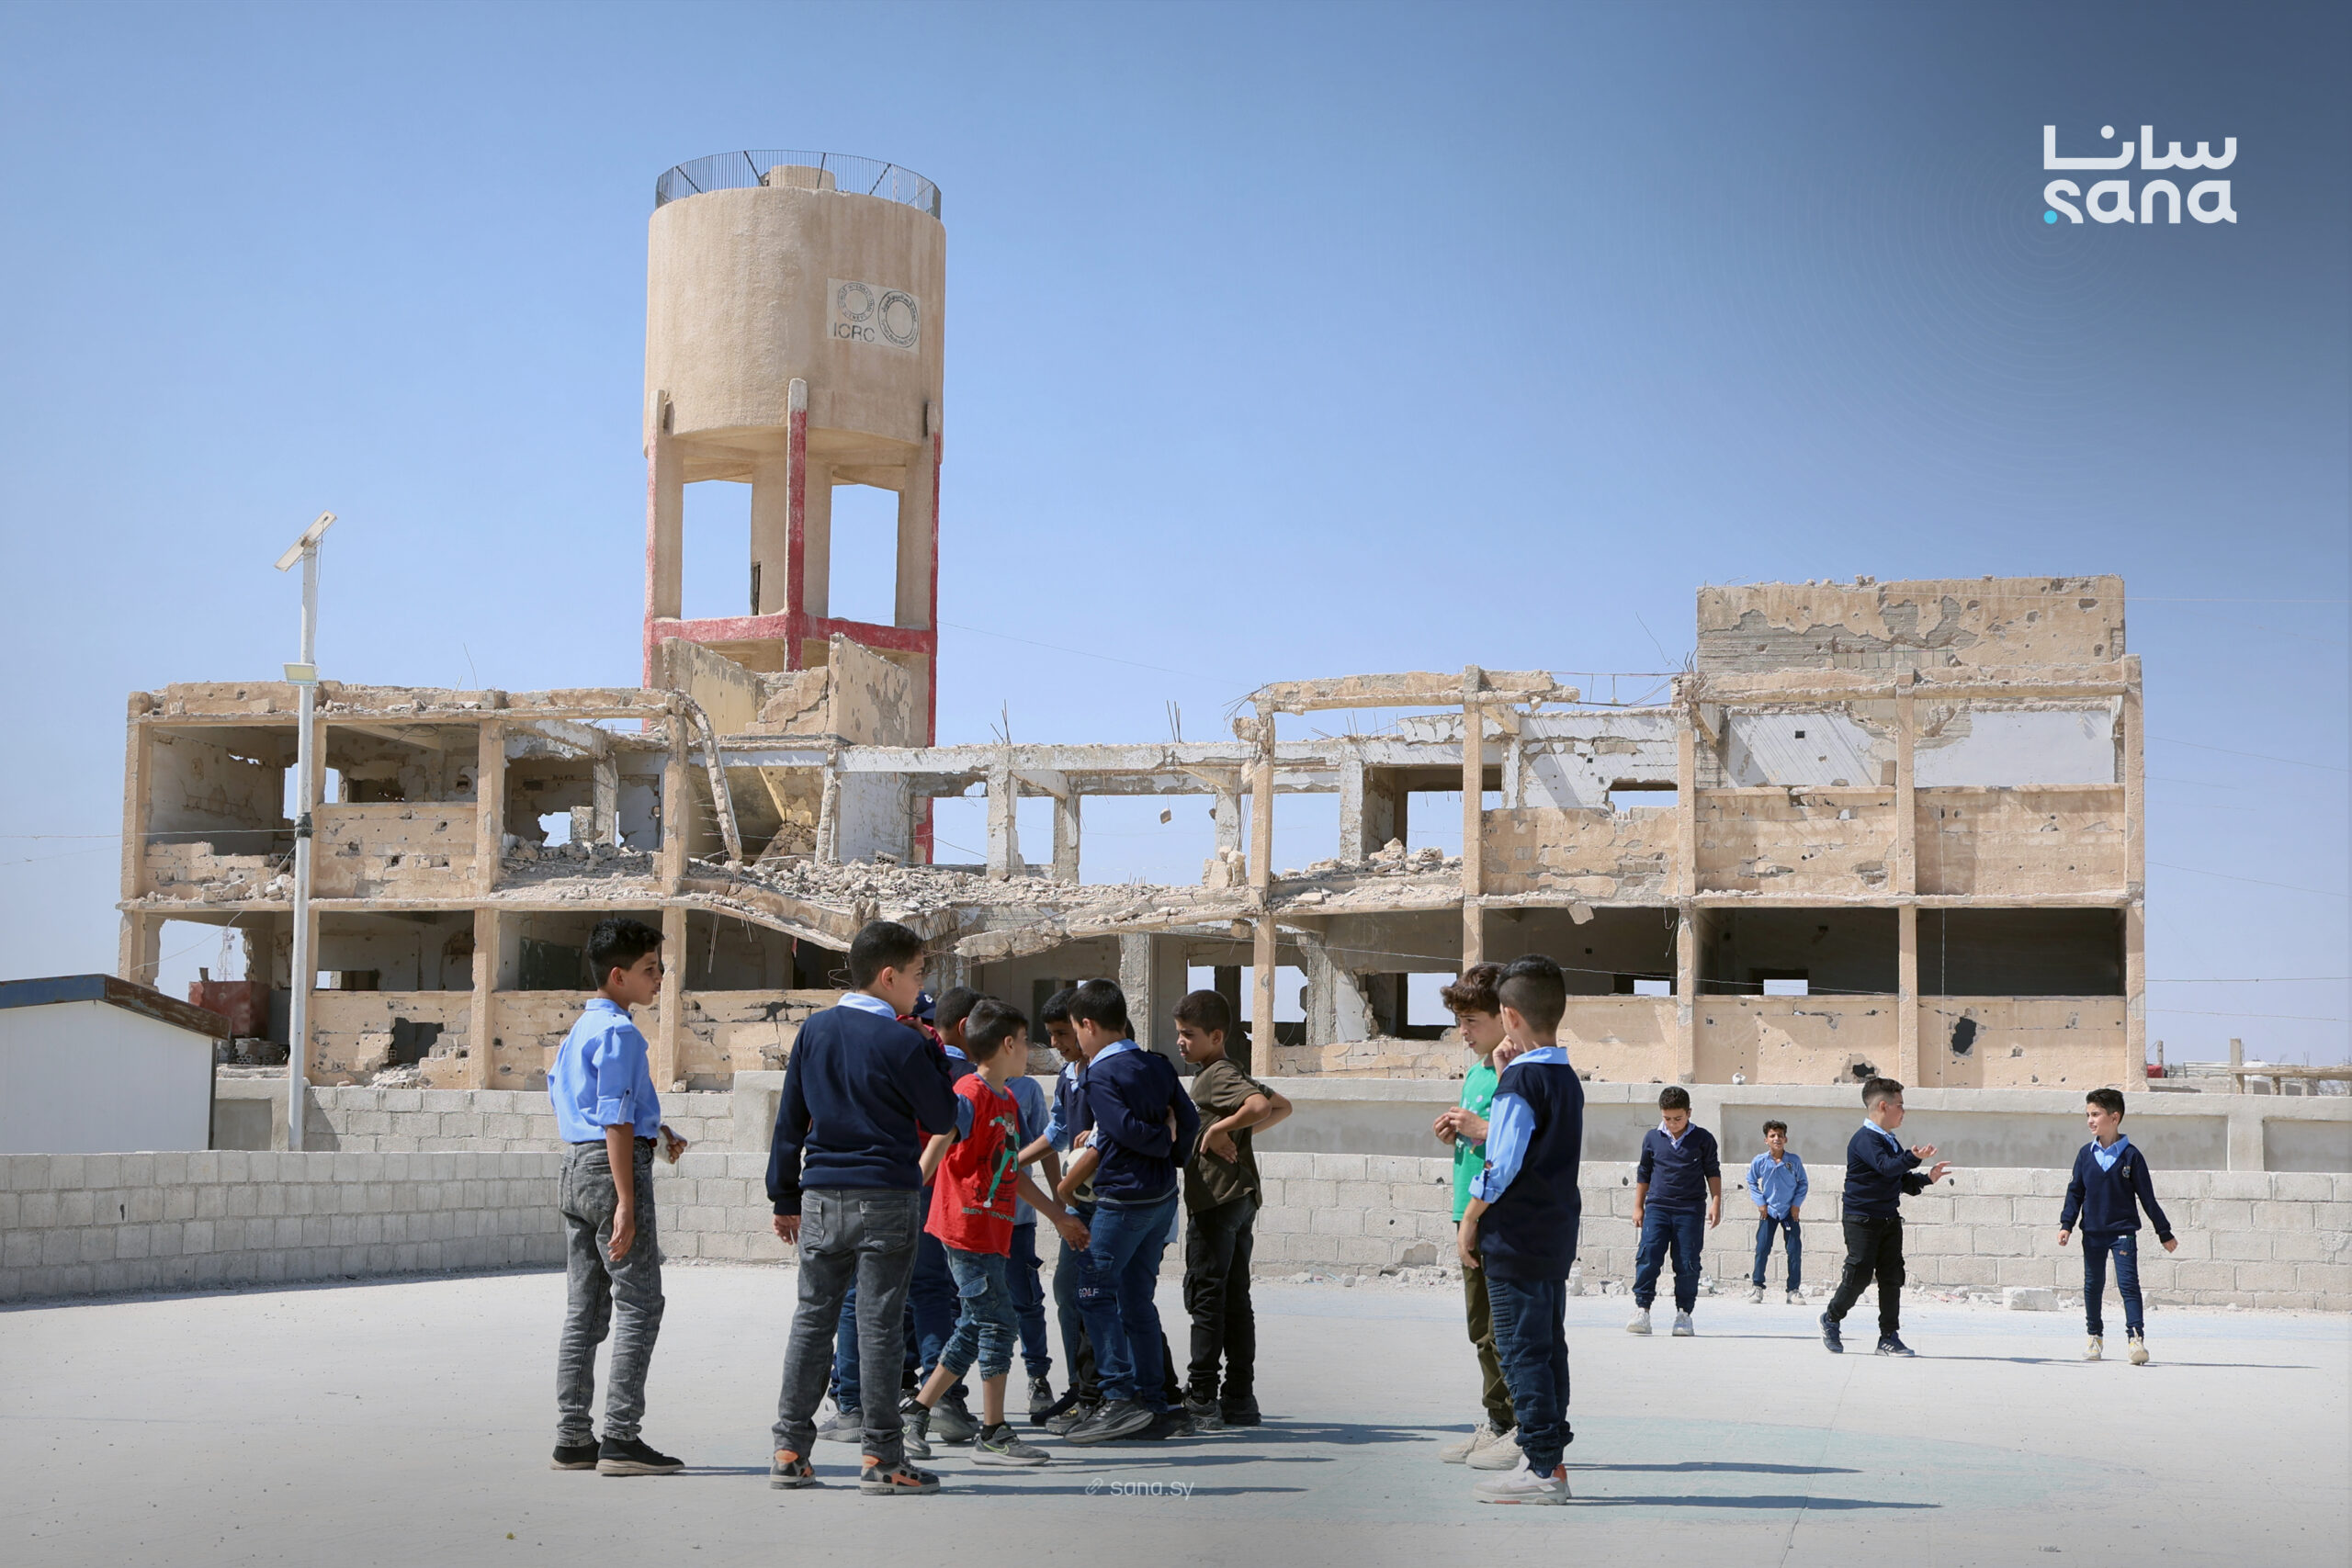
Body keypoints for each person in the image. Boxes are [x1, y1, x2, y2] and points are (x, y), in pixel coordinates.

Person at [766, 919, 957, 1496]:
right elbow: (943, 1117)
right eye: (918, 975)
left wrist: (784, 1195)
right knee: (879, 1327)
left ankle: (789, 1451)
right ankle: (882, 1459)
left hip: (821, 1195)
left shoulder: (815, 1030)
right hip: (886, 1196)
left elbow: (790, 1119)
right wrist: (933, 1050)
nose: (922, 988)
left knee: (812, 1320)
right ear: (889, 976)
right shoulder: (904, 1041)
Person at [900, 998, 1091, 1465]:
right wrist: (910, 1188)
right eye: (1026, 1041)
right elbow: (941, 1137)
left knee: (973, 1326)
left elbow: (1011, 1171)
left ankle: (917, 1413)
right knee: (1000, 1323)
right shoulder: (970, 1093)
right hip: (966, 1230)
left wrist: (1057, 1215)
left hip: (993, 1232)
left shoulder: (1007, 1100)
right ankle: (993, 1432)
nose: (1030, 1049)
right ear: (1008, 1044)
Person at [548, 917, 683, 1475]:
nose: (659, 978)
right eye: (650, 969)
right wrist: (627, 1200)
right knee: (640, 1303)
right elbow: (616, 1118)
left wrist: (658, 1131)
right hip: (611, 1171)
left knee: (585, 1310)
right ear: (618, 975)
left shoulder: (580, 1029)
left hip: (575, 1168)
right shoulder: (622, 1034)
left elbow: (579, 1102)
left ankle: (572, 1437)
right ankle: (622, 1437)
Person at [1457, 954, 1585, 1506]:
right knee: (1547, 1350)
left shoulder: (1520, 1081)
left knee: (1520, 1352)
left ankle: (1540, 1468)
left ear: (1508, 1016)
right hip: (1552, 1236)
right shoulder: (1564, 1077)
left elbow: (1502, 1163)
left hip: (1514, 1239)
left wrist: (1470, 1217)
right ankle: (1549, 1461)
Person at [1053, 978, 1200, 1444]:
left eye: (1075, 1030)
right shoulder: (1158, 1063)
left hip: (1123, 1201)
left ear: (1088, 1025)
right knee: (1136, 1301)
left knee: (1093, 1294)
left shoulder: (1099, 1074)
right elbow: (1190, 1121)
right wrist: (1171, 1144)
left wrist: (1161, 1138)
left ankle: (1118, 1398)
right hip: (1161, 1199)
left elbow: (1123, 1131)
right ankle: (1156, 1405)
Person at [1174, 988, 1292, 1434]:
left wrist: (1219, 1129)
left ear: (1217, 1036)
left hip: (1217, 1200)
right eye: (1179, 1033)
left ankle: (1203, 1396)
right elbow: (1281, 1107)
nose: (1181, 1041)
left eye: (1189, 1034)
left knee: (1207, 1298)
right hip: (1240, 1199)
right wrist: (1235, 1133)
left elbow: (1261, 1107)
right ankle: (1240, 1397)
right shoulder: (1230, 1071)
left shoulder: (1215, 1075)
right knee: (1235, 1299)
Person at [1429, 963, 1520, 1470]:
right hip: (1468, 1211)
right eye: (1458, 1022)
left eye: (1472, 1021)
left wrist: (1481, 1127)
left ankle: (1518, 1426)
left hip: (1495, 1215)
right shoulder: (1477, 1071)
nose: (1463, 1032)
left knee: (1503, 1329)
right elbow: (1483, 1135)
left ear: (1504, 1017)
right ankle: (1497, 1421)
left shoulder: (1517, 1068)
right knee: (1480, 1329)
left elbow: (1521, 1137)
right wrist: (1457, 1132)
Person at [1820, 1077, 1951, 1358]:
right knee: (1858, 1277)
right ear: (1883, 1106)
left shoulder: (1889, 1140)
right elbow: (1886, 1167)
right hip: (1862, 1219)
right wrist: (1912, 1157)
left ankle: (1888, 1337)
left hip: (1889, 1219)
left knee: (1892, 1278)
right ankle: (1831, 1318)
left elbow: (1900, 1179)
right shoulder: (1865, 1139)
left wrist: (1928, 1178)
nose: (1904, 1111)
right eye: (1900, 1105)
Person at [1023, 987, 1102, 1435]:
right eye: (1049, 1035)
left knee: (1105, 1297)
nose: (1055, 1044)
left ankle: (1110, 1390)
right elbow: (1056, 1132)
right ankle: (1082, 1386)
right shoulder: (1069, 1076)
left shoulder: (1109, 1072)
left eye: (1061, 1034)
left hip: (1110, 1205)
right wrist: (1013, 1162)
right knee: (1071, 1292)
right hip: (1082, 1205)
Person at [2059, 1088, 2177, 1366]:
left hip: (2123, 1233)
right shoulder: (2085, 1155)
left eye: (2096, 1114)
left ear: (2114, 1117)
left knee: (2129, 1286)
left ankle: (2135, 1340)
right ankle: (2094, 1337)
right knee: (2093, 1285)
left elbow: (2147, 1198)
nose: (2090, 1120)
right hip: (2092, 1233)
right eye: (2088, 1115)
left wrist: (2164, 1232)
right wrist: (2067, 1224)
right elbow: (2075, 1193)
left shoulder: (2131, 1157)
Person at [1628, 1086, 1721, 1337]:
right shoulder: (1652, 1138)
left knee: (1687, 1262)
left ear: (1689, 1112)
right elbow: (1644, 1173)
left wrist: (1716, 1202)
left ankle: (1684, 1314)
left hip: (1690, 1209)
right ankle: (1642, 1309)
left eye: (1678, 1118)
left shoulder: (1703, 1139)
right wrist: (1638, 1206)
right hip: (1657, 1207)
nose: (1672, 1123)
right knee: (1648, 1256)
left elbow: (1712, 1171)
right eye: (1667, 1118)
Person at [1745, 1120, 1808, 1304]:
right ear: (1766, 1140)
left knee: (1794, 1250)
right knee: (1762, 1248)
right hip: (1769, 1212)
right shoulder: (1760, 1161)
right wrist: (1760, 1202)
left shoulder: (1793, 1161)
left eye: (1780, 1135)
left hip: (1789, 1212)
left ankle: (1793, 1290)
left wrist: (1796, 1205)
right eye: (1772, 1136)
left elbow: (1803, 1183)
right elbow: (1751, 1181)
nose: (1776, 1139)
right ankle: (1757, 1287)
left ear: (1785, 1139)